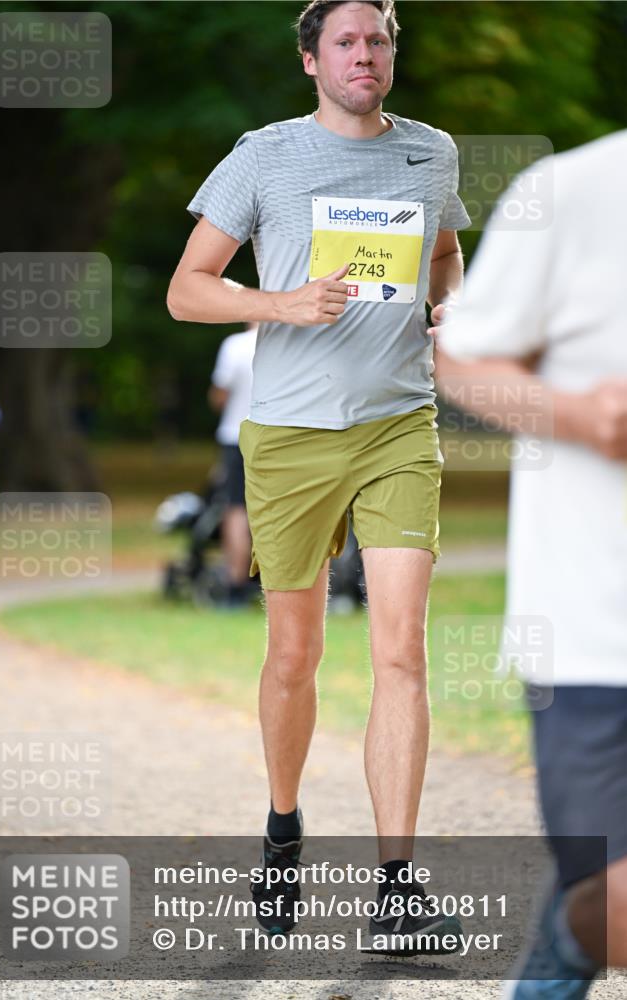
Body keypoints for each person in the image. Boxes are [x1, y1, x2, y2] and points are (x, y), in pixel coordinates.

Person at [168, 0, 470, 949]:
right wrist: (278, 301)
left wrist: (447, 311)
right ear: (310, 60)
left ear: (390, 54)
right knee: (294, 655)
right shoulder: (263, 155)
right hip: (290, 435)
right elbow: (187, 289)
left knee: (400, 653)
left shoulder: (432, 153)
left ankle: (395, 886)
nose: (363, 55)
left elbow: (445, 252)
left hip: (396, 426)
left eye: (376, 40)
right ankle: (283, 828)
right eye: (343, 41)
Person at [433, 131, 627, 996]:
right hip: (596, 626)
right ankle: (570, 936)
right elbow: (462, 358)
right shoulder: (576, 189)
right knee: (611, 904)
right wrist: (582, 416)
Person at [208, 323, 258, 606]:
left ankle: (236, 584)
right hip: (280, 437)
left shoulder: (235, 345)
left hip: (236, 435)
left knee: (237, 509)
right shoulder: (293, 339)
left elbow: (220, 395)